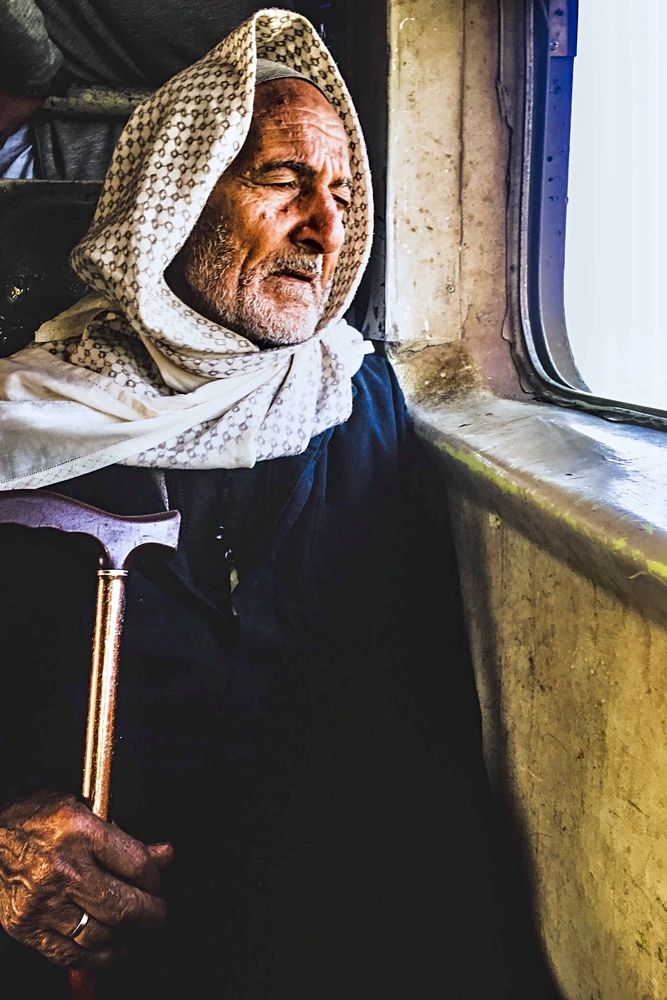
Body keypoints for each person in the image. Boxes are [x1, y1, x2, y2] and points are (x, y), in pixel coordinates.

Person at [0, 11, 517, 998]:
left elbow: (398, 707)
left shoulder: (354, 400)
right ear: (175, 195)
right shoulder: (27, 421)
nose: (326, 228)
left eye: (342, 193)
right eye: (282, 180)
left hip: (303, 913)